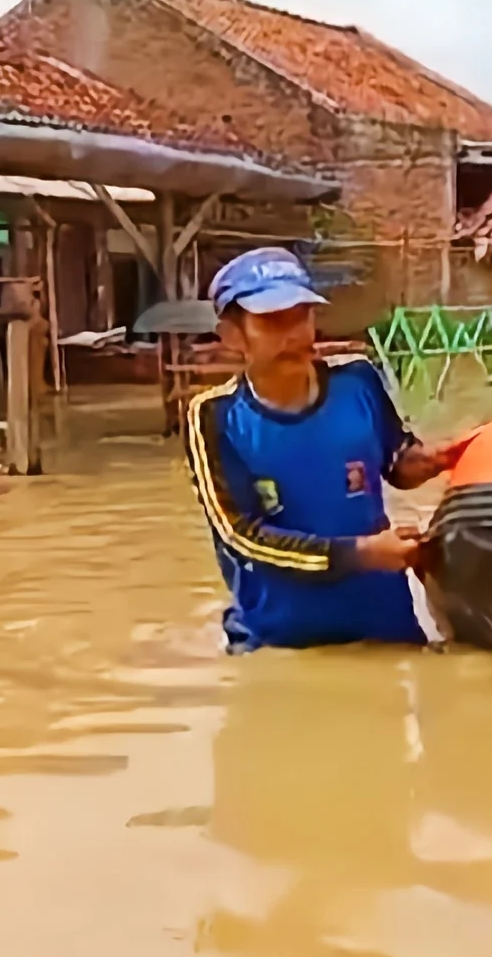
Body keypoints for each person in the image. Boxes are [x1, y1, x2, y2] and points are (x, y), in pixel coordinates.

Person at [186, 248, 457, 653]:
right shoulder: (214, 417)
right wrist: (361, 554)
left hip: (385, 625)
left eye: (302, 316)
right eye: (274, 321)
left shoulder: (359, 380)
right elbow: (241, 537)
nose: (295, 333)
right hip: (278, 641)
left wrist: (439, 458)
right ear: (232, 335)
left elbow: (398, 462)